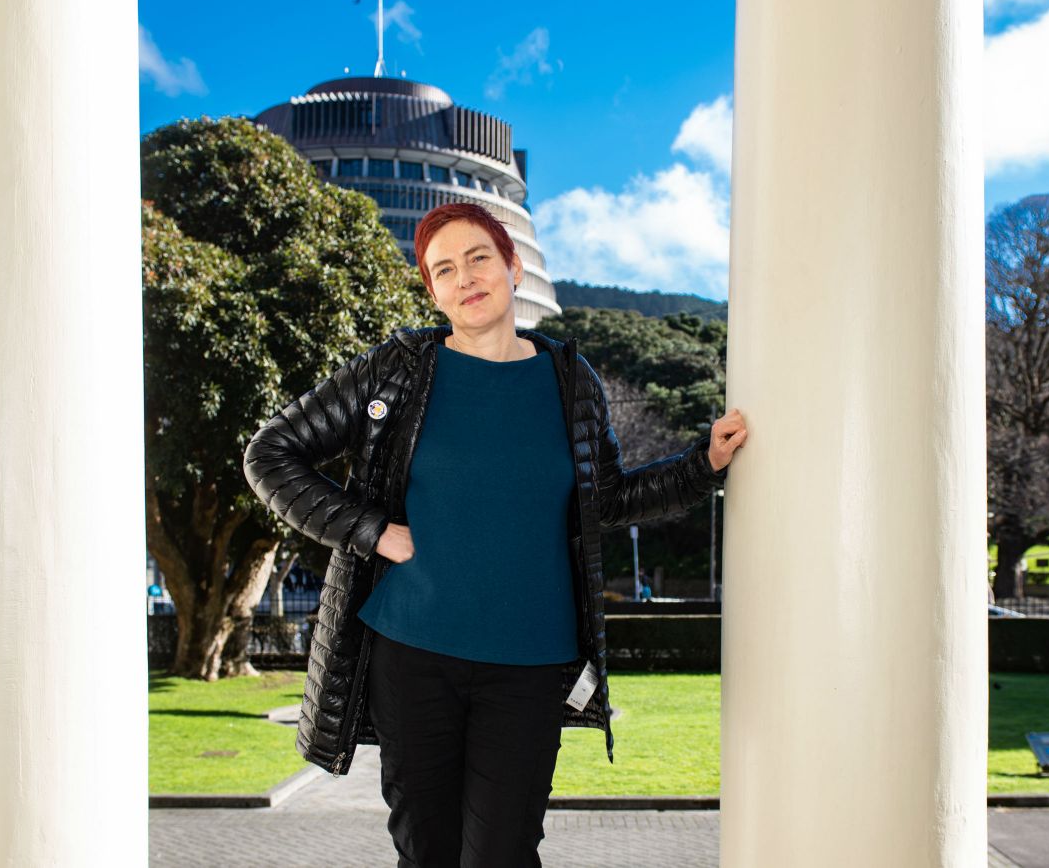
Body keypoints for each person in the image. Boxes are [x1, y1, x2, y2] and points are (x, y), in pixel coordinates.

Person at [243, 202, 748, 867]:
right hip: (411, 656)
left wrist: (700, 464)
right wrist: (371, 531)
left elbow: (609, 497)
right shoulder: (394, 372)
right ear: (432, 290)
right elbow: (270, 453)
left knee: (503, 854)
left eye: (478, 257)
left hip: (530, 667)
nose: (465, 278)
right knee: (428, 853)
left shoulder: (572, 382)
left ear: (512, 265)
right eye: (443, 269)